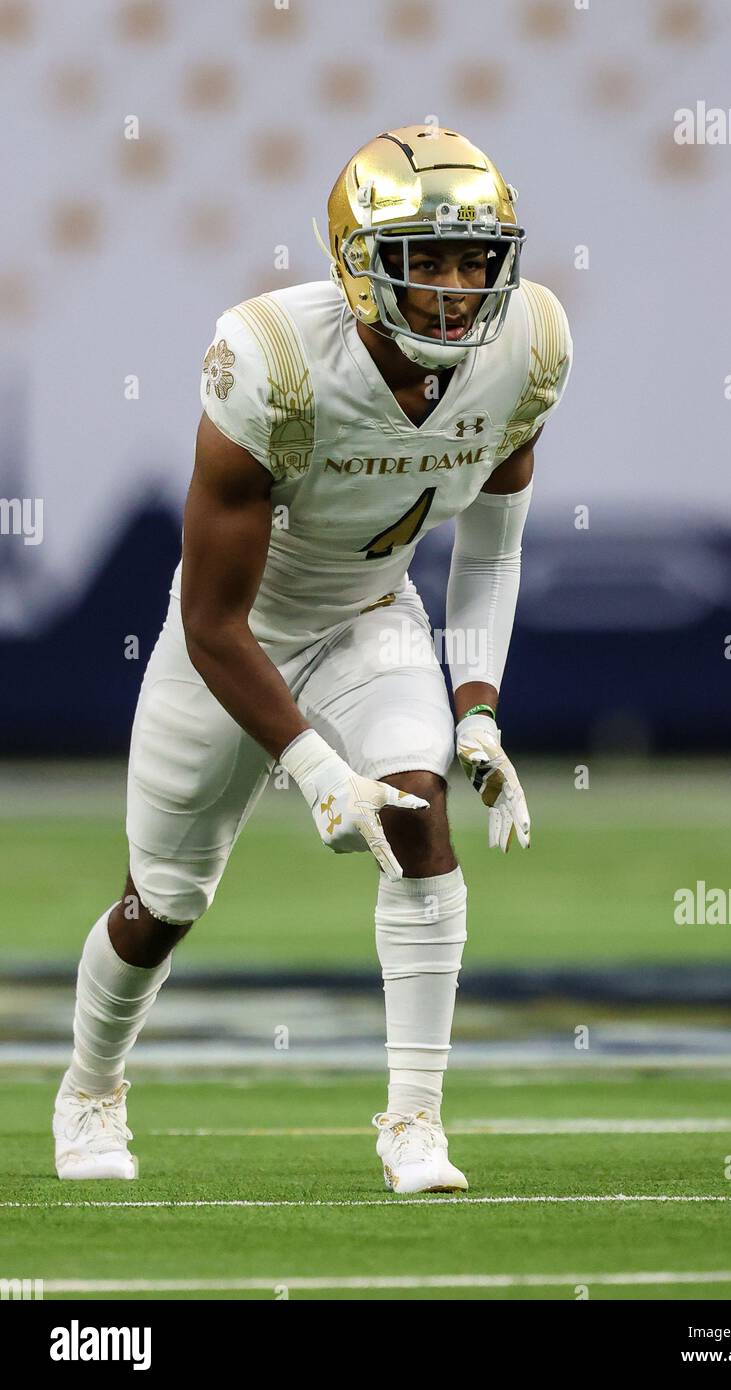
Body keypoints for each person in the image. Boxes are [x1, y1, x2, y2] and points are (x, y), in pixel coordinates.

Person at [52, 124, 573, 1194]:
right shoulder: (271, 361)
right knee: (162, 902)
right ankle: (90, 1087)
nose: (452, 286)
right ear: (355, 265)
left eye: (471, 257)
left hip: (372, 613)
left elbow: (490, 547)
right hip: (236, 638)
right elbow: (209, 621)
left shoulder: (528, 344)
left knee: (417, 812)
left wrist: (477, 709)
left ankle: (413, 1123)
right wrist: (311, 764)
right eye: (420, 258)